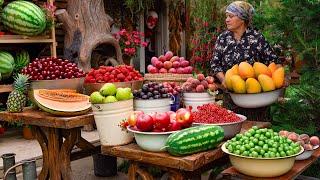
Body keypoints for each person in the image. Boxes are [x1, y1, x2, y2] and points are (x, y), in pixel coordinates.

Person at [210, 1, 282, 88]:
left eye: (231, 16)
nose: (227, 20)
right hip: (229, 91)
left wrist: (277, 82)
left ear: (242, 19)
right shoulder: (223, 38)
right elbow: (215, 64)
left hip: (253, 91)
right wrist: (223, 80)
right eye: (226, 16)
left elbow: (274, 62)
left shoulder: (257, 38)